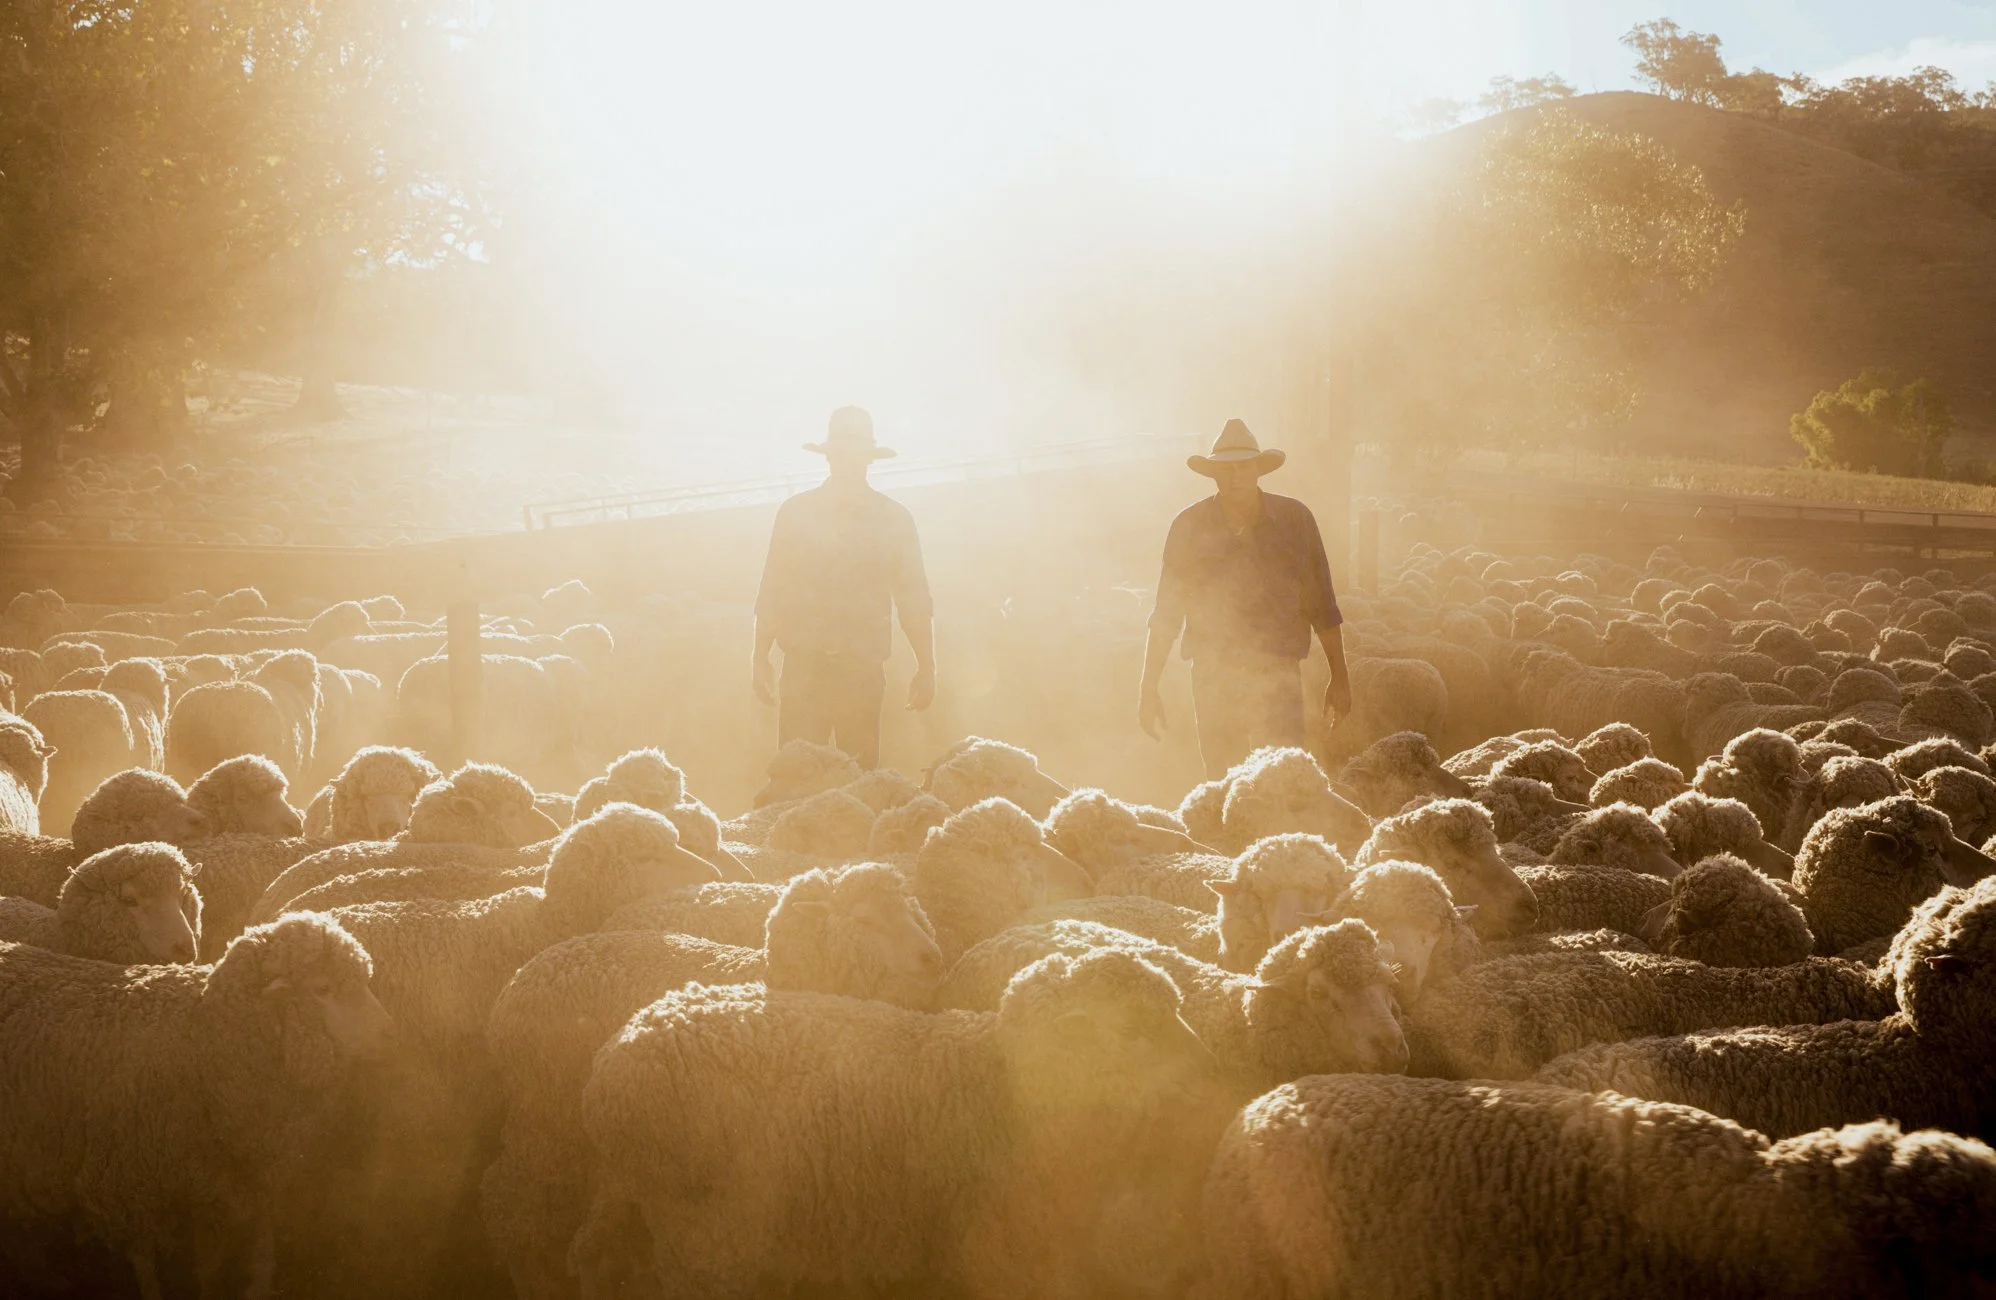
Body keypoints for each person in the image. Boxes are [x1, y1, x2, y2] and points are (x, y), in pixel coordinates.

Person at [1137, 417, 1351, 778]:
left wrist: (1340, 676)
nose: (1236, 477)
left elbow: (1322, 604)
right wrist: (1147, 686)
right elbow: (1167, 613)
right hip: (1214, 676)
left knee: (1285, 782)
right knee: (1224, 782)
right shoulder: (1189, 527)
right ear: (1214, 474)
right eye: (1226, 469)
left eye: (1244, 467)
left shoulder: (1294, 520)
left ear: (1258, 470)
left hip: (1278, 674)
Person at [752, 406, 935, 769]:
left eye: (855, 454)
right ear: (831, 457)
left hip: (859, 671)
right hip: (806, 668)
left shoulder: (892, 519)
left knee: (858, 783)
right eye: (842, 454)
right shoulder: (797, 513)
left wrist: (927, 665)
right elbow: (774, 588)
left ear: (868, 459)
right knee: (798, 781)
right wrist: (758, 657)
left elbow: (914, 598)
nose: (849, 462)